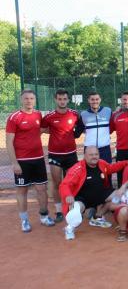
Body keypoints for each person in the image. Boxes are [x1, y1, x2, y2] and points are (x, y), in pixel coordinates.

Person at [6, 89, 55, 232]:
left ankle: (44, 216)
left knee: (42, 189)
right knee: (22, 190)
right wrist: (14, 163)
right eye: (26, 98)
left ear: (35, 100)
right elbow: (9, 142)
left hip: (38, 159)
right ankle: (24, 220)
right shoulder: (14, 117)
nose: (29, 101)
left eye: (31, 98)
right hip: (22, 161)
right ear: (21, 100)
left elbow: (41, 129)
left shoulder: (38, 114)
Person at [60, 146, 128, 240]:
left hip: (99, 194)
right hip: (82, 198)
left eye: (96, 154)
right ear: (85, 156)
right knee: (76, 210)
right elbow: (65, 184)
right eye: (91, 155)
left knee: (119, 195)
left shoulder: (101, 163)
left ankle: (97, 218)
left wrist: (127, 162)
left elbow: (111, 168)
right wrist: (68, 195)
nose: (94, 157)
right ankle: (69, 229)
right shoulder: (78, 168)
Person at [41, 89, 79, 223]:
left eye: (64, 99)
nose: (62, 101)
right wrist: (53, 131)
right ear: (55, 100)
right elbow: (41, 129)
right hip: (55, 155)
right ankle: (58, 211)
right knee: (57, 183)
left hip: (71, 154)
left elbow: (79, 128)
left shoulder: (75, 114)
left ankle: (71, 208)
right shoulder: (49, 116)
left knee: (71, 183)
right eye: (59, 99)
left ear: (68, 100)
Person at [76, 91, 113, 163]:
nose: (95, 101)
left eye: (97, 99)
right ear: (88, 100)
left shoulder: (108, 111)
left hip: (105, 148)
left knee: (107, 172)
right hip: (89, 149)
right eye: (92, 99)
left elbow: (114, 126)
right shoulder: (84, 114)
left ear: (100, 100)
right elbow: (77, 132)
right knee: (90, 172)